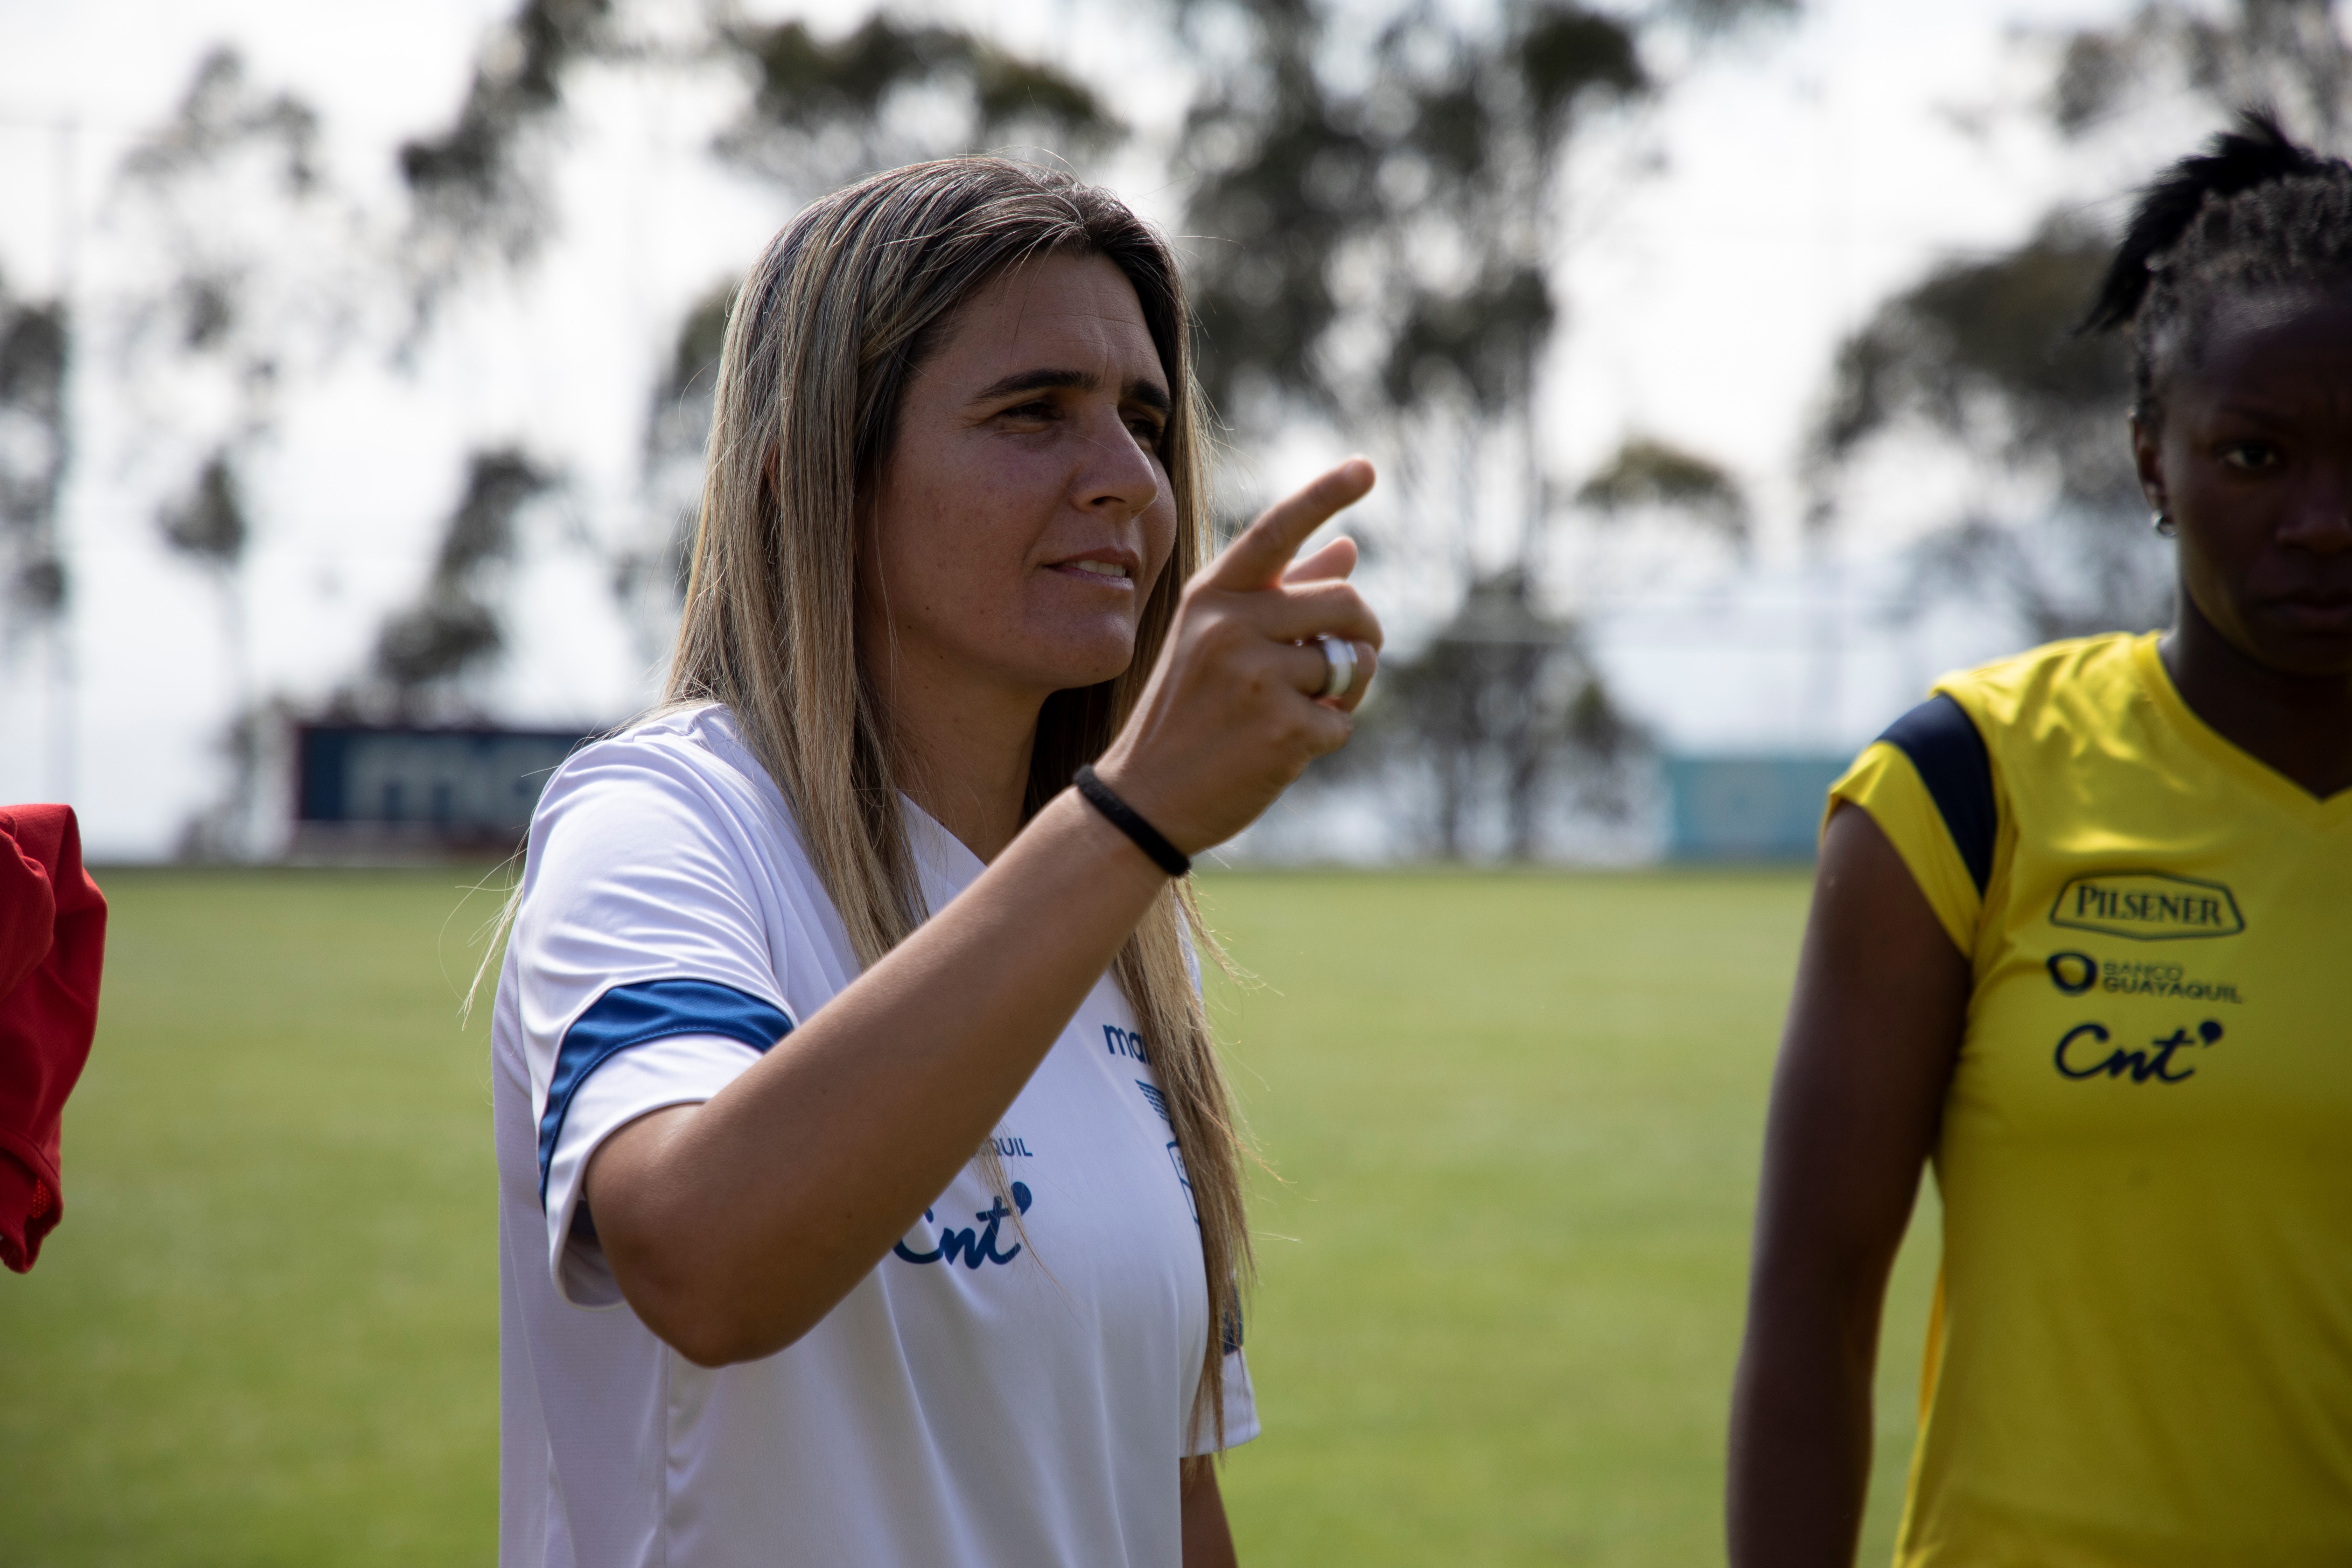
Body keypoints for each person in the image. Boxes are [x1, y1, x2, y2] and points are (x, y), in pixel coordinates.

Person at [490, 157, 1381, 1568]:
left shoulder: (1103, 918)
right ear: (814, 476)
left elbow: (1166, 1496)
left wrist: (1116, 845)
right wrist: (1135, 814)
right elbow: (702, 1258)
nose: (1129, 483)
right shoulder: (661, 824)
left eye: (1145, 422)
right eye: (1036, 413)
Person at [1728, 112, 2352, 1567]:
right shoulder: (1968, 789)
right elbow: (1814, 1311)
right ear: (2152, 458)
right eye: (2255, 455)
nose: (2325, 520)